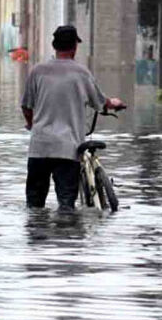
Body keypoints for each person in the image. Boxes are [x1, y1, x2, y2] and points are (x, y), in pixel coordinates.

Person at [20, 25, 125, 210]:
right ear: (75, 47)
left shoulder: (38, 71)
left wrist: (31, 124)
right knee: (67, 206)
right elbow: (100, 102)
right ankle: (66, 237)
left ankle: (37, 235)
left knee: (34, 206)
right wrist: (113, 103)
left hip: (39, 148)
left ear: (54, 45)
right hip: (68, 150)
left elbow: (26, 106)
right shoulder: (81, 73)